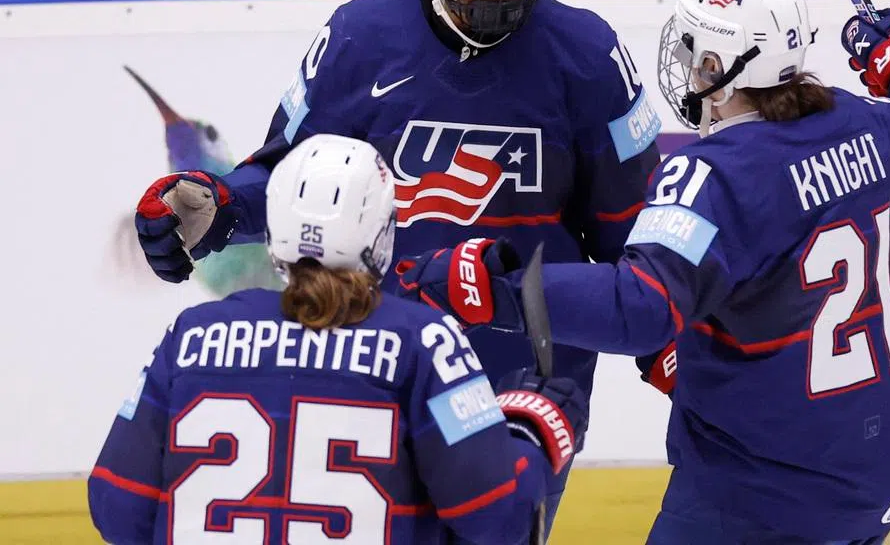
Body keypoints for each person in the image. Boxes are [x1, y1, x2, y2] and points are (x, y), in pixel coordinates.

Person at [132, 0, 662, 535]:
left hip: (522, 383)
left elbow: (638, 235)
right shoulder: (361, 37)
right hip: (376, 361)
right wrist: (221, 207)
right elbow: (292, 179)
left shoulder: (589, 54)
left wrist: (673, 344)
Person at [396, 0, 890, 544]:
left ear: (718, 66)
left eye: (691, 54)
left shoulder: (716, 176)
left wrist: (491, 285)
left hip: (751, 502)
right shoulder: (875, 128)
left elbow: (640, 307)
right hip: (871, 493)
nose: (683, 67)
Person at [95, 134, 586, 544]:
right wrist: (532, 433)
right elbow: (495, 517)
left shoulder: (192, 336)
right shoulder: (422, 340)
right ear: (382, 231)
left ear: (273, 231)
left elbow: (117, 506)